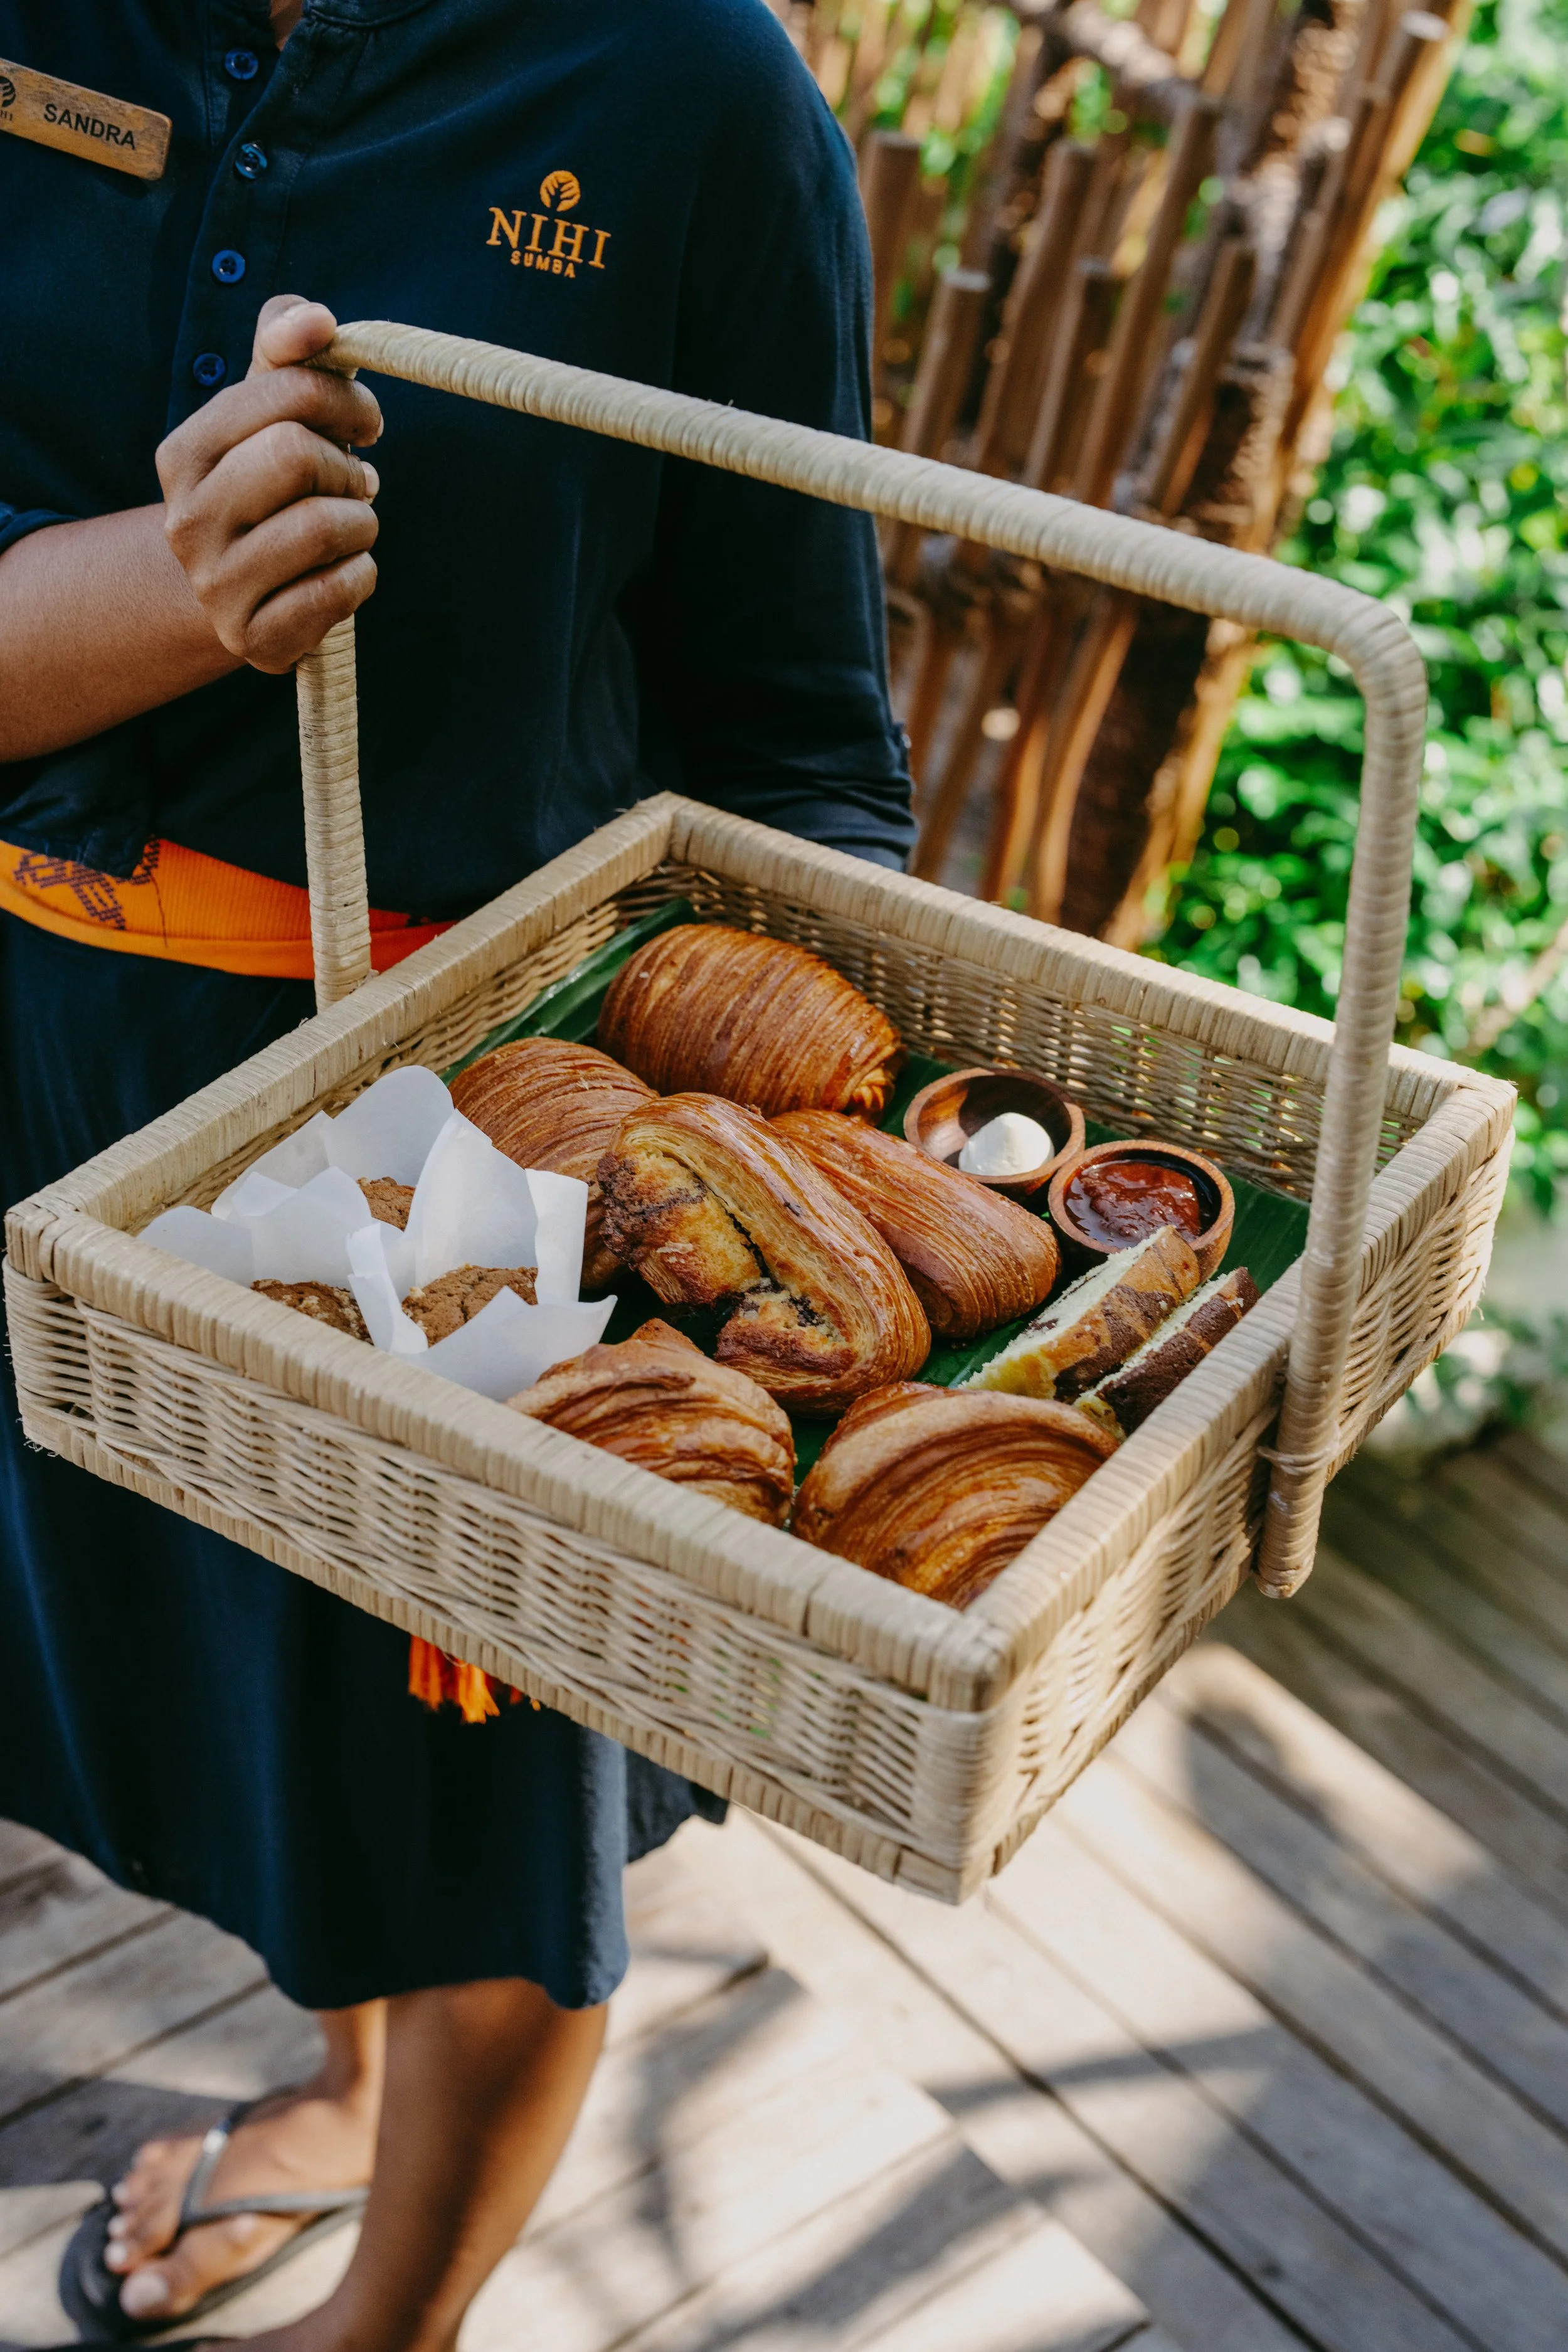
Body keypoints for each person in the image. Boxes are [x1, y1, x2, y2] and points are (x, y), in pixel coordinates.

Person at [0, 0, 912, 2343]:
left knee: (471, 1786)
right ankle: (335, 2081)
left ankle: (389, 2318)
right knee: (201, 1686)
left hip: (454, 1142)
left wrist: (810, 1186)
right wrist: (170, 581)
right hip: (30, 1059)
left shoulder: (691, 93)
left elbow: (794, 726)